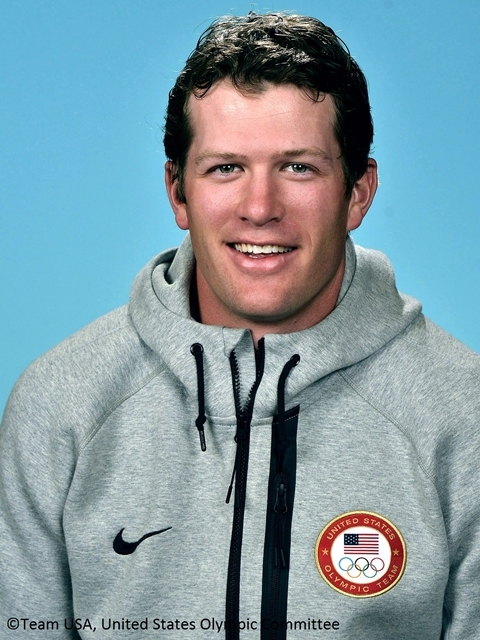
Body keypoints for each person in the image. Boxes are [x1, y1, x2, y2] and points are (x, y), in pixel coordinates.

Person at [0, 11, 479, 640]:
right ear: (178, 191)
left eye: (298, 167)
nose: (260, 208)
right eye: (226, 167)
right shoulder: (61, 406)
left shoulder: (461, 414)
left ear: (358, 192)